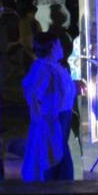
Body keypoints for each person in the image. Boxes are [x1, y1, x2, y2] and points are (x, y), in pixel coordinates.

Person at [20, 34, 75, 181]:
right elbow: (34, 93)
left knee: (59, 158)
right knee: (53, 159)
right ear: (51, 48)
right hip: (53, 121)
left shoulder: (54, 67)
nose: (61, 48)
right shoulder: (43, 68)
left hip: (61, 119)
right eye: (58, 45)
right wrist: (44, 118)